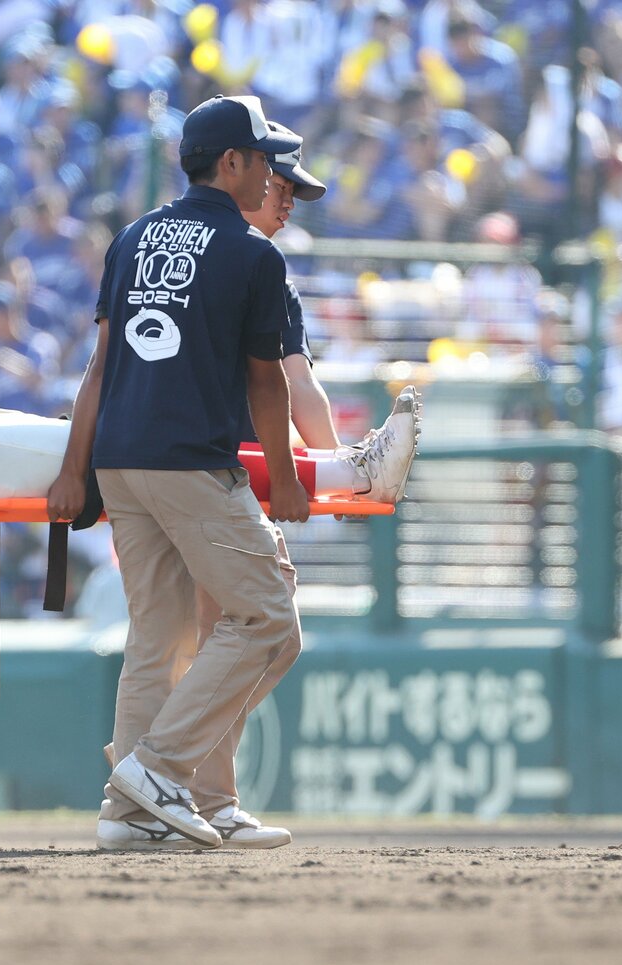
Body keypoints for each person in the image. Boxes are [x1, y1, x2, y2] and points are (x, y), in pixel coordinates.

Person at [44, 95, 384, 852]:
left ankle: (130, 813)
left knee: (156, 640)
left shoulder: (133, 237)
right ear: (230, 162)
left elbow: (102, 365)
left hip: (121, 462)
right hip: (190, 461)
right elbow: (269, 383)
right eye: (263, 159)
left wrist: (77, 467)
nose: (272, 174)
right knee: (267, 617)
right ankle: (160, 769)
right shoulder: (252, 252)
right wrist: (292, 481)